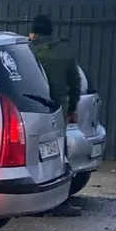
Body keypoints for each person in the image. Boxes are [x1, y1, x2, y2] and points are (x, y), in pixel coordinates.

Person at [29, 14, 83, 217]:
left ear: (34, 33)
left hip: (31, 110)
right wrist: (72, 109)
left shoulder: (27, 51)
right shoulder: (64, 51)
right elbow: (75, 83)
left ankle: (31, 202)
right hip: (57, 110)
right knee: (59, 155)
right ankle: (62, 201)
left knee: (31, 156)